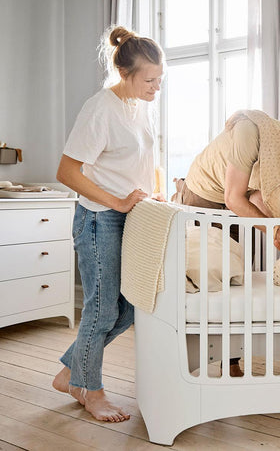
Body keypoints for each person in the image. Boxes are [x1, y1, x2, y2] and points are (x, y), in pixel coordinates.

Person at [172, 110, 280, 375]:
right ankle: (189, 351)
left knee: (234, 271)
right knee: (208, 273)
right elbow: (233, 198)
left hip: (237, 196)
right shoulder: (251, 133)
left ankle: (230, 360)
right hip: (205, 192)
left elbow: (262, 195)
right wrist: (277, 231)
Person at [52, 26, 165, 423]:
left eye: (160, 79)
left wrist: (153, 193)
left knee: (133, 305)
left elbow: (141, 159)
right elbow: (67, 171)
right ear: (125, 75)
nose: (157, 87)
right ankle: (91, 391)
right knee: (101, 310)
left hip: (132, 218)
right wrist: (117, 201)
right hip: (100, 219)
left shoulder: (139, 105)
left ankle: (71, 372)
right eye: (150, 80)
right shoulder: (100, 108)